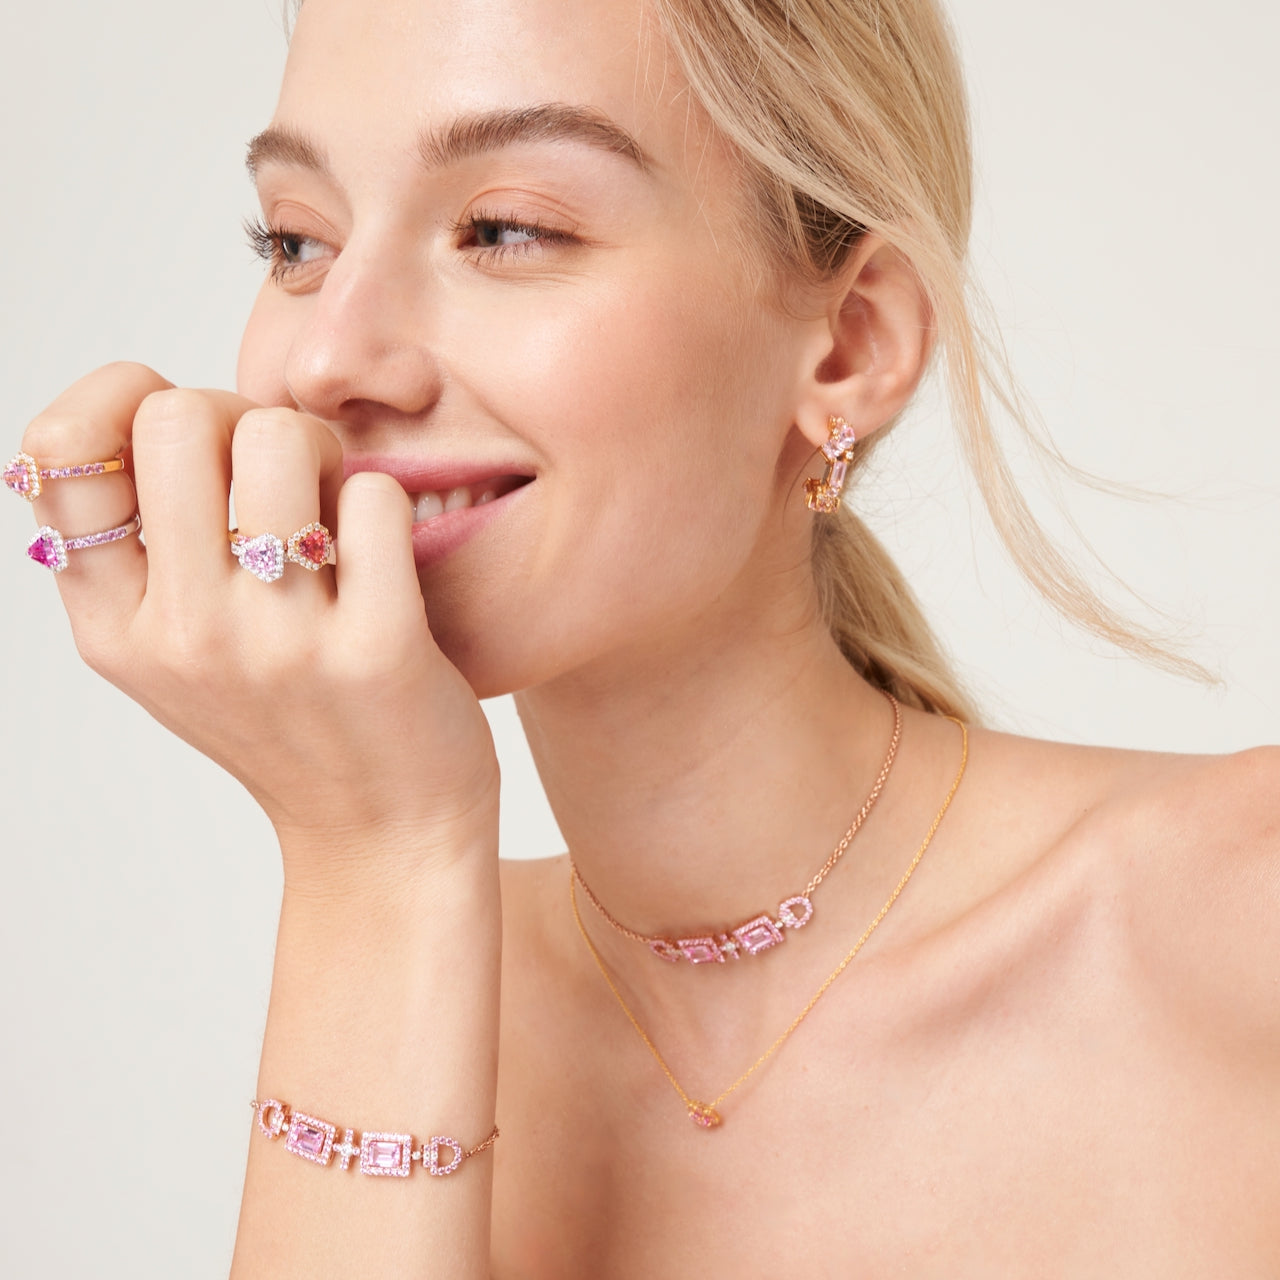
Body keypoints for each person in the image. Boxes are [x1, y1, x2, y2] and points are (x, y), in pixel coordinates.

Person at [10, 0, 1278, 1273]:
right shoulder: (402, 951)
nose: (329, 358)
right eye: (296, 241)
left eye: (504, 228)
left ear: (849, 345)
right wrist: (374, 852)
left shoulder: (1236, 911)